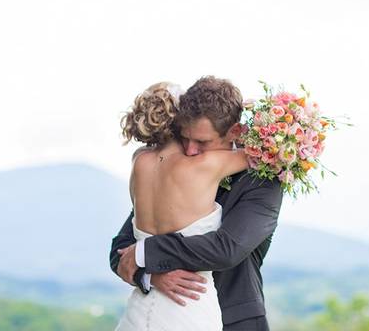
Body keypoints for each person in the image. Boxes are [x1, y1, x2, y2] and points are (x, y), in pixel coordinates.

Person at [110, 76, 284, 331]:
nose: (190, 150)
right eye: (184, 137)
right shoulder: (169, 169)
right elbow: (122, 247)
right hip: (163, 309)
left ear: (234, 131)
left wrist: (146, 252)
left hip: (235, 320)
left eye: (202, 142)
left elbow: (227, 249)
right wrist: (149, 275)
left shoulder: (262, 181)